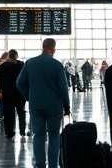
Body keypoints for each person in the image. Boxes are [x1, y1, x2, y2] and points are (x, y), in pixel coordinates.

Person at [17, 38, 71, 168]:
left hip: (36, 105)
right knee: (54, 136)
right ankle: (53, 165)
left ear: (43, 47)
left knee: (38, 135)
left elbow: (19, 82)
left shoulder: (30, 63)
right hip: (54, 106)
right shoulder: (57, 65)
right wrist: (66, 105)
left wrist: (29, 96)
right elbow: (63, 87)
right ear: (53, 49)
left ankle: (40, 164)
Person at [0, 49, 27, 139]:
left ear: (8, 56)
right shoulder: (21, 66)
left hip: (7, 93)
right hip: (19, 93)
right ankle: (22, 130)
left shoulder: (1, 67)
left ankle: (9, 132)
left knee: (8, 113)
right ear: (16, 56)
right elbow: (25, 79)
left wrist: (0, 89)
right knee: (21, 112)